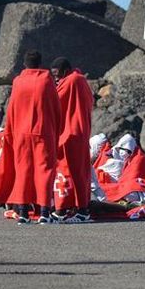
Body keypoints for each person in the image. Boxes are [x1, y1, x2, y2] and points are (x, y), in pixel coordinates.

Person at [0, 50, 62, 224]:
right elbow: (56, 108)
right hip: (42, 133)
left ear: (24, 64)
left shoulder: (18, 81)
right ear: (40, 63)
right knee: (44, 171)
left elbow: (12, 109)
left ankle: (23, 212)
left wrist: (10, 132)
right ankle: (44, 212)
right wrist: (56, 131)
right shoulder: (46, 80)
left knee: (23, 171)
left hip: (21, 133)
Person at [49, 57, 95, 223]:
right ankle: (77, 208)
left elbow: (54, 101)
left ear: (64, 70)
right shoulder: (81, 80)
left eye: (56, 74)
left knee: (69, 172)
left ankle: (71, 210)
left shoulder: (72, 81)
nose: (55, 78)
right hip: (79, 133)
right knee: (78, 173)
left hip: (71, 134)